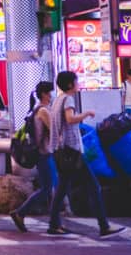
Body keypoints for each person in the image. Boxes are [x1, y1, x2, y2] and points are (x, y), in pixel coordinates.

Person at [47, 70, 125, 238]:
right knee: (93, 186)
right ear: (69, 84)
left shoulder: (56, 100)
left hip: (60, 150)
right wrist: (86, 114)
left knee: (61, 188)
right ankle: (104, 226)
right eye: (76, 80)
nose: (78, 83)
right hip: (71, 150)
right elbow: (69, 119)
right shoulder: (68, 99)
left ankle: (53, 224)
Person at [10, 82, 55, 232]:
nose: (51, 96)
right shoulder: (43, 111)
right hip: (44, 153)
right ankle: (20, 212)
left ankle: (54, 221)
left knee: (48, 188)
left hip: (42, 153)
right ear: (43, 94)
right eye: (49, 93)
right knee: (47, 189)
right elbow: (54, 131)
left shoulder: (37, 109)